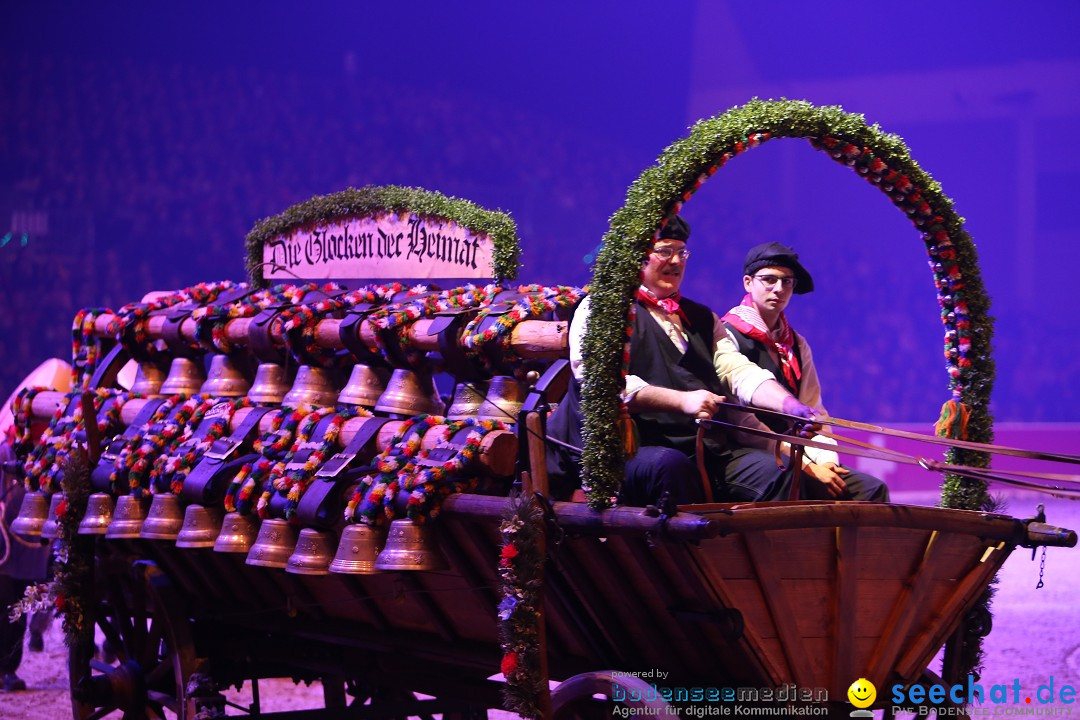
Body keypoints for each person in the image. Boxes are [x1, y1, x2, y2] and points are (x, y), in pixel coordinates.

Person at [546, 216, 818, 509]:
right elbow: (603, 383)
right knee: (670, 467)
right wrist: (683, 401)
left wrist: (791, 406)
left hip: (702, 448)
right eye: (664, 251)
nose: (675, 261)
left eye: (681, 252)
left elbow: (737, 371)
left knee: (783, 474)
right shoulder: (602, 309)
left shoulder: (702, 317)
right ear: (637, 254)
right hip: (626, 451)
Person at [720, 242, 889, 501]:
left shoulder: (797, 344)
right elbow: (742, 424)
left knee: (871, 490)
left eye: (787, 282)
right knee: (788, 479)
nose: (779, 289)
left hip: (797, 454)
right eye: (769, 279)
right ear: (747, 282)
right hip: (748, 452)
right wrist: (809, 467)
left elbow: (814, 410)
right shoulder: (726, 334)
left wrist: (826, 460)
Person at [1, 427, 53, 693]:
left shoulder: (49, 455)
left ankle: (9, 667)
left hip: (32, 548)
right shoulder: (4, 453)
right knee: (5, 608)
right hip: (5, 547)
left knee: (19, 611)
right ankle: (5, 671)